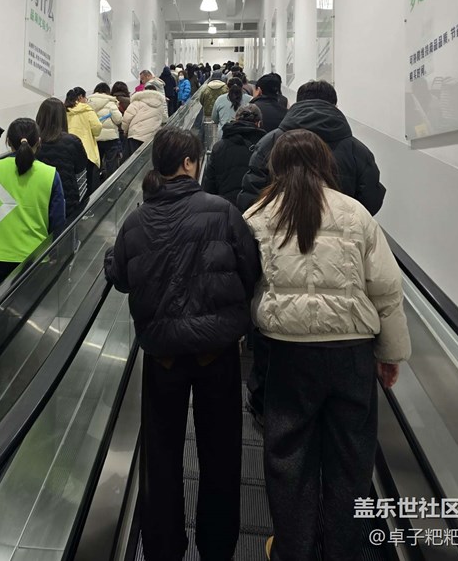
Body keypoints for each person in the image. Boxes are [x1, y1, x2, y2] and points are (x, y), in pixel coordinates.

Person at [243, 130, 411, 561]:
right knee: (351, 459)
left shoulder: (257, 216)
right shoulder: (355, 213)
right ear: (325, 164)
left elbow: (245, 282)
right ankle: (343, 550)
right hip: (351, 353)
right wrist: (390, 354)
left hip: (288, 353)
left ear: (275, 167)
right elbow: (386, 288)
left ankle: (292, 549)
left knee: (287, 456)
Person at [105, 127, 260, 561]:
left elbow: (121, 278)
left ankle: (164, 547)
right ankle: (217, 546)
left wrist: (112, 260)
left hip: (163, 356)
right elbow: (250, 269)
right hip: (217, 353)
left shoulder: (136, 220)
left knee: (162, 455)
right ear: (190, 163)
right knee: (221, 452)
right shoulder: (223, 212)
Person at [237, 80, 386, 215]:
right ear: (335, 106)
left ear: (298, 103)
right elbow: (370, 200)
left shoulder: (270, 142)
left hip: (279, 232)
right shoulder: (357, 150)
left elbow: (252, 194)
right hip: (341, 234)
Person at [0, 118, 65, 298]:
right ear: (39, 142)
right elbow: (58, 221)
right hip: (36, 258)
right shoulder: (50, 174)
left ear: (7, 142)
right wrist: (55, 253)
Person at [35, 97, 88, 222]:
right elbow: (80, 167)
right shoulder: (72, 141)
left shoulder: (34, 142)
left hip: (38, 199)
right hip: (67, 198)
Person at [202, 105, 265, 206]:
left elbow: (209, 185)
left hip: (225, 207)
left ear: (235, 120)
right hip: (255, 207)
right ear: (259, 123)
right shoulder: (265, 147)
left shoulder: (219, 147)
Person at [65, 87, 102, 196]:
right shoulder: (87, 109)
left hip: (68, 151)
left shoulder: (64, 110)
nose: (86, 100)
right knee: (91, 186)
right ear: (80, 97)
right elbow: (97, 127)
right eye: (86, 98)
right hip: (87, 152)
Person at [122, 79, 168, 154]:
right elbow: (165, 119)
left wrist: (125, 130)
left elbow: (127, 117)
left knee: (133, 158)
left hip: (136, 135)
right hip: (151, 138)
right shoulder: (160, 105)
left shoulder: (137, 102)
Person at [88, 82, 123, 179]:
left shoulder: (88, 103)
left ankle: (95, 185)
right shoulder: (111, 103)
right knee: (111, 164)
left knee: (96, 164)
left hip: (94, 138)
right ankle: (110, 185)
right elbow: (118, 119)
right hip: (110, 138)